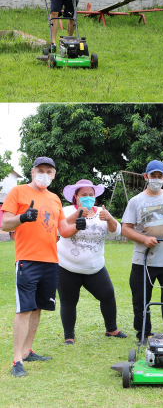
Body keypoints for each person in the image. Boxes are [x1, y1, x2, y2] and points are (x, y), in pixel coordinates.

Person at [2, 157, 83, 378]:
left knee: (38, 307)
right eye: (40, 170)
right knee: (24, 309)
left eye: (49, 171)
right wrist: (22, 217)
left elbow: (63, 230)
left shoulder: (54, 198)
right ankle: (17, 359)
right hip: (27, 260)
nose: (44, 174)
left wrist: (78, 225)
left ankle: (28, 351)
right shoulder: (18, 192)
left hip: (51, 261)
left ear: (54, 175)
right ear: (32, 171)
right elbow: (4, 222)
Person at [120, 160, 163, 342]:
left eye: (160, 176)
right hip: (143, 261)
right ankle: (144, 334)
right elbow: (126, 228)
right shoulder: (136, 201)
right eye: (153, 176)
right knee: (141, 300)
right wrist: (144, 239)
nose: (156, 179)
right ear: (146, 176)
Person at [58, 179, 126, 345]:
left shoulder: (101, 213)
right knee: (68, 301)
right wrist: (78, 216)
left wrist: (109, 218)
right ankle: (69, 336)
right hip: (67, 266)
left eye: (91, 195)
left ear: (95, 197)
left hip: (95, 268)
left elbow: (116, 231)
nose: (87, 197)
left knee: (108, 295)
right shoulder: (66, 211)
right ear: (76, 197)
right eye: (83, 195)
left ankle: (111, 329)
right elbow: (60, 229)